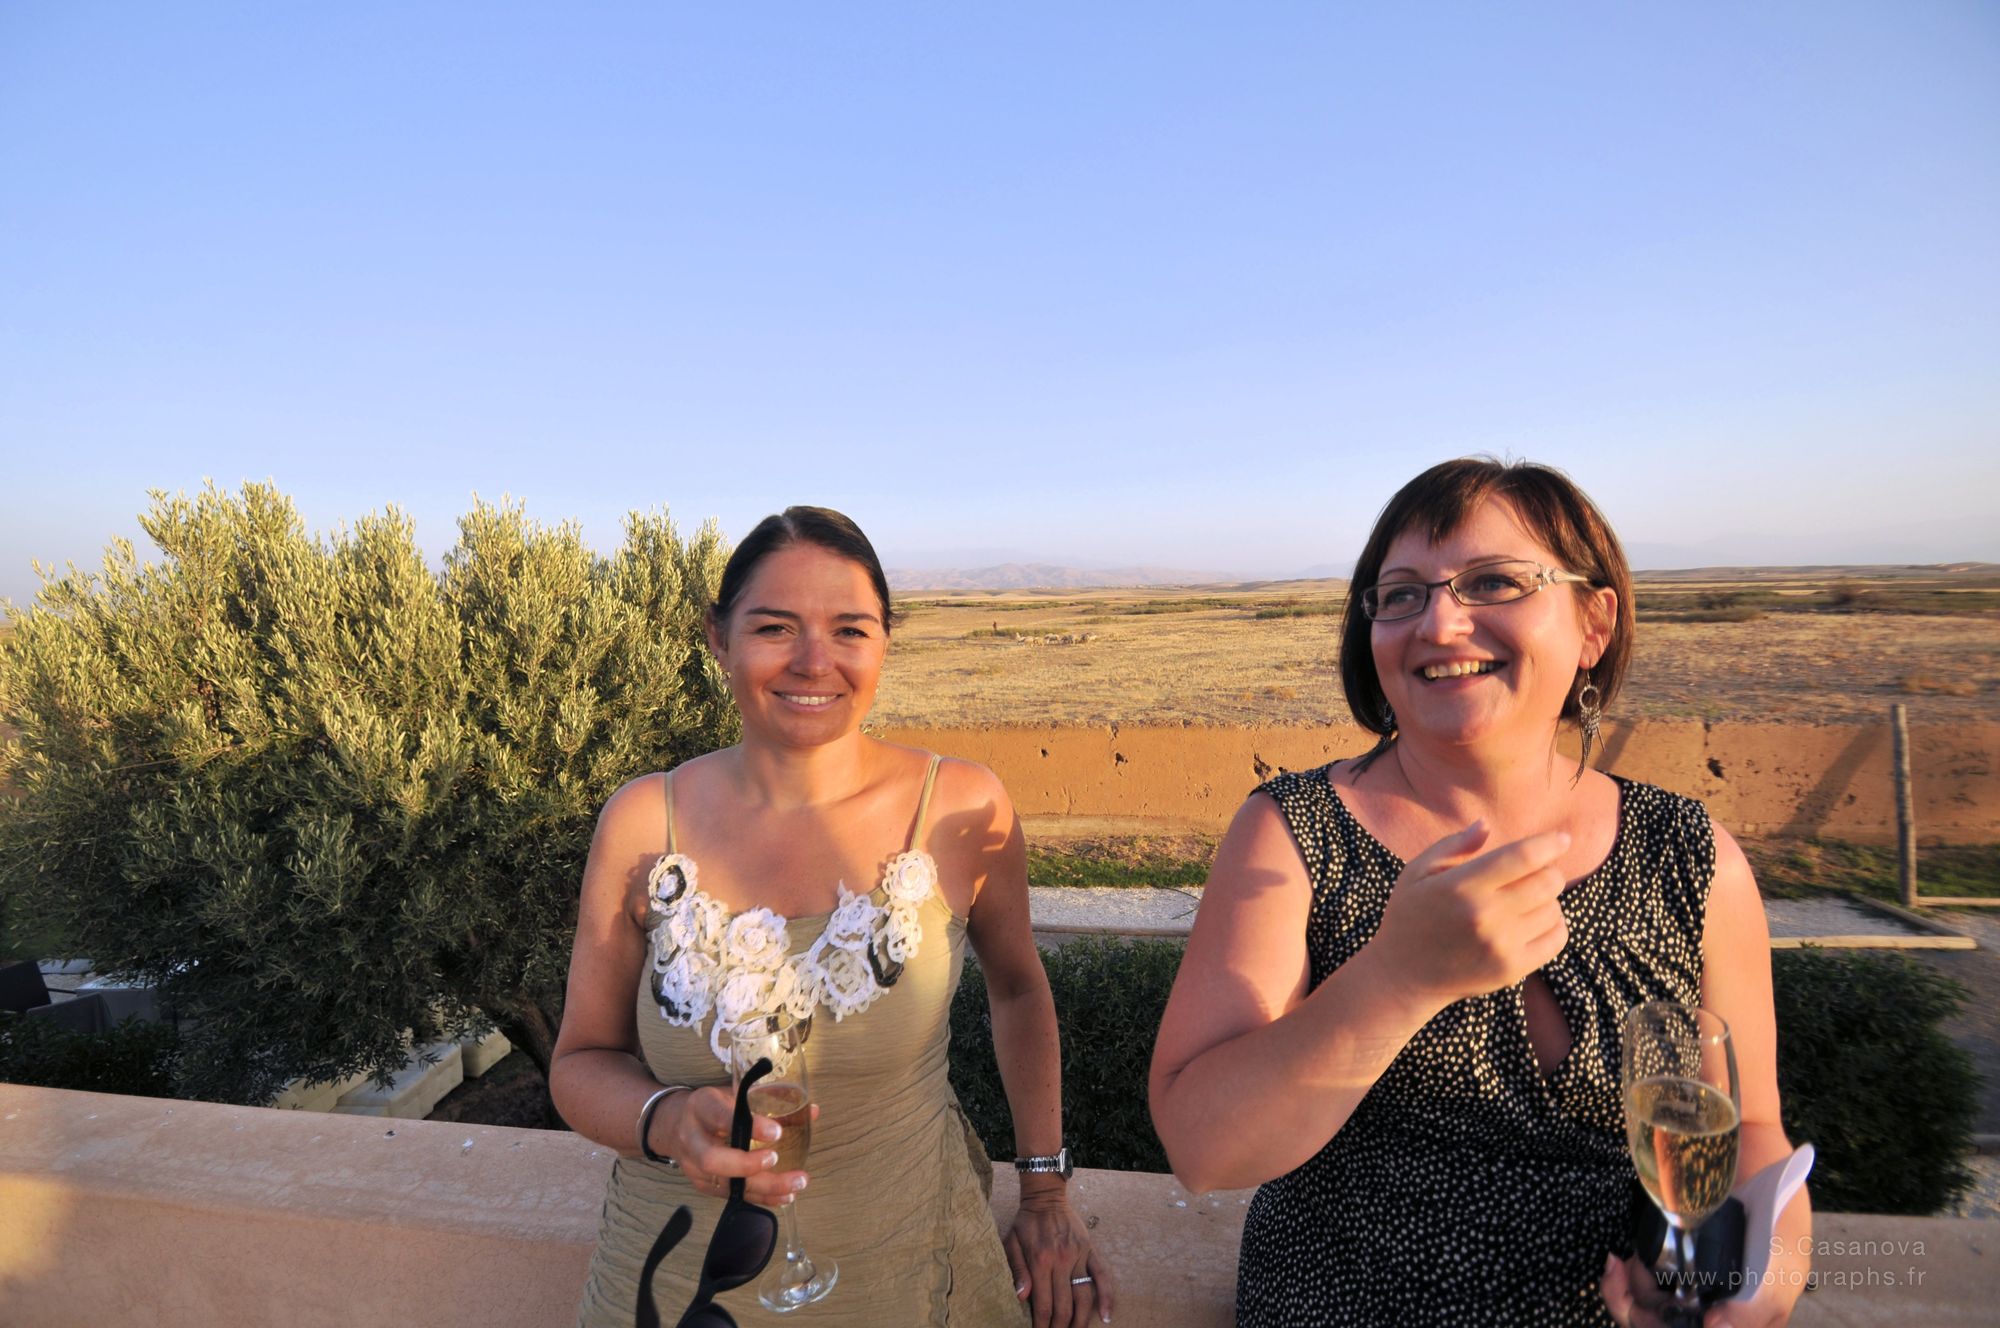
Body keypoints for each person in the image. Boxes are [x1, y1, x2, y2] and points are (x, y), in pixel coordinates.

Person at [1148, 459, 1810, 1327]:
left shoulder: (1691, 858)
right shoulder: (1292, 834)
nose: (1440, 622)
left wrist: (1760, 1283)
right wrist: (1397, 978)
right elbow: (1202, 1148)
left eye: (1495, 581)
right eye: (1402, 594)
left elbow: (1750, 1132)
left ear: (1594, 623)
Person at [553, 506, 1114, 1328]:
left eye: (850, 630)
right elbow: (579, 1062)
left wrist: (1046, 1192)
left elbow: (1020, 991)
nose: (814, 661)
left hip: (905, 1275)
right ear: (718, 639)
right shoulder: (643, 824)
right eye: (774, 627)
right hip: (673, 1283)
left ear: (885, 641)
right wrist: (668, 1122)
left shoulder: (957, 806)